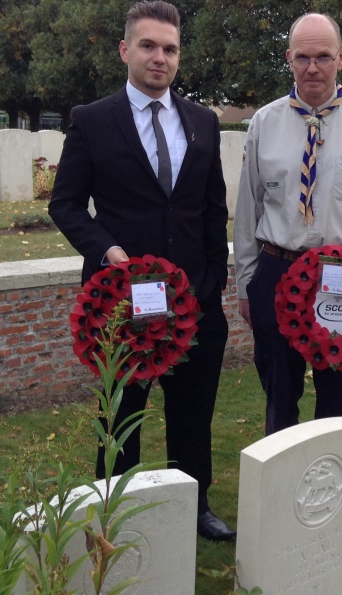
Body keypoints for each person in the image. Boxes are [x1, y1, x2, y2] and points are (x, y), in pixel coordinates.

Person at [49, 1, 234, 541]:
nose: (160, 57)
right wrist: (105, 250)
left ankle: (195, 503)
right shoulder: (92, 120)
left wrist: (213, 285)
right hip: (120, 304)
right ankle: (115, 511)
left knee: (192, 412)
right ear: (125, 49)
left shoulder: (201, 121)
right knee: (121, 413)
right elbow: (65, 205)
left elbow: (211, 207)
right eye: (149, 46)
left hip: (195, 301)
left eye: (170, 48)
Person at [233, 12, 342, 436]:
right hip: (277, 270)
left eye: (324, 56)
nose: (313, 67)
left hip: (341, 275)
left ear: (341, 58)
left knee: (337, 395)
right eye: (303, 57)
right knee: (279, 393)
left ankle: (331, 487)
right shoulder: (264, 123)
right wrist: (246, 284)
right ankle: (280, 485)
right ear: (289, 58)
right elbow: (247, 210)